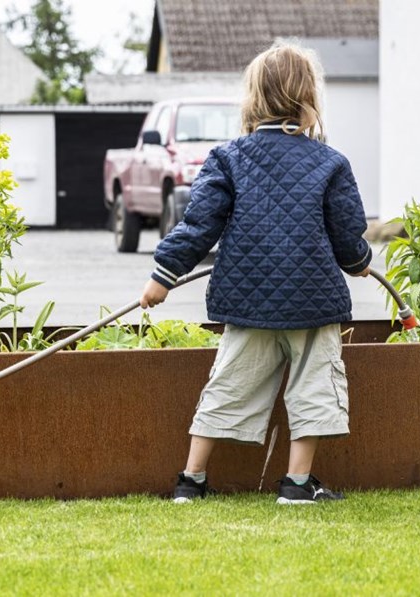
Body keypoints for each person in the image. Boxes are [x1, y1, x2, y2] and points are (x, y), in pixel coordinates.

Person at [139, 40, 372, 505]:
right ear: (309, 98)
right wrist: (359, 262)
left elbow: (198, 225)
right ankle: (298, 485)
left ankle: (191, 480)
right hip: (311, 302)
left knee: (228, 383)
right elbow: (348, 235)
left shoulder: (229, 158)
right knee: (313, 388)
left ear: (253, 98)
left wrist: (162, 277)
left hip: (248, 303)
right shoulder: (330, 162)